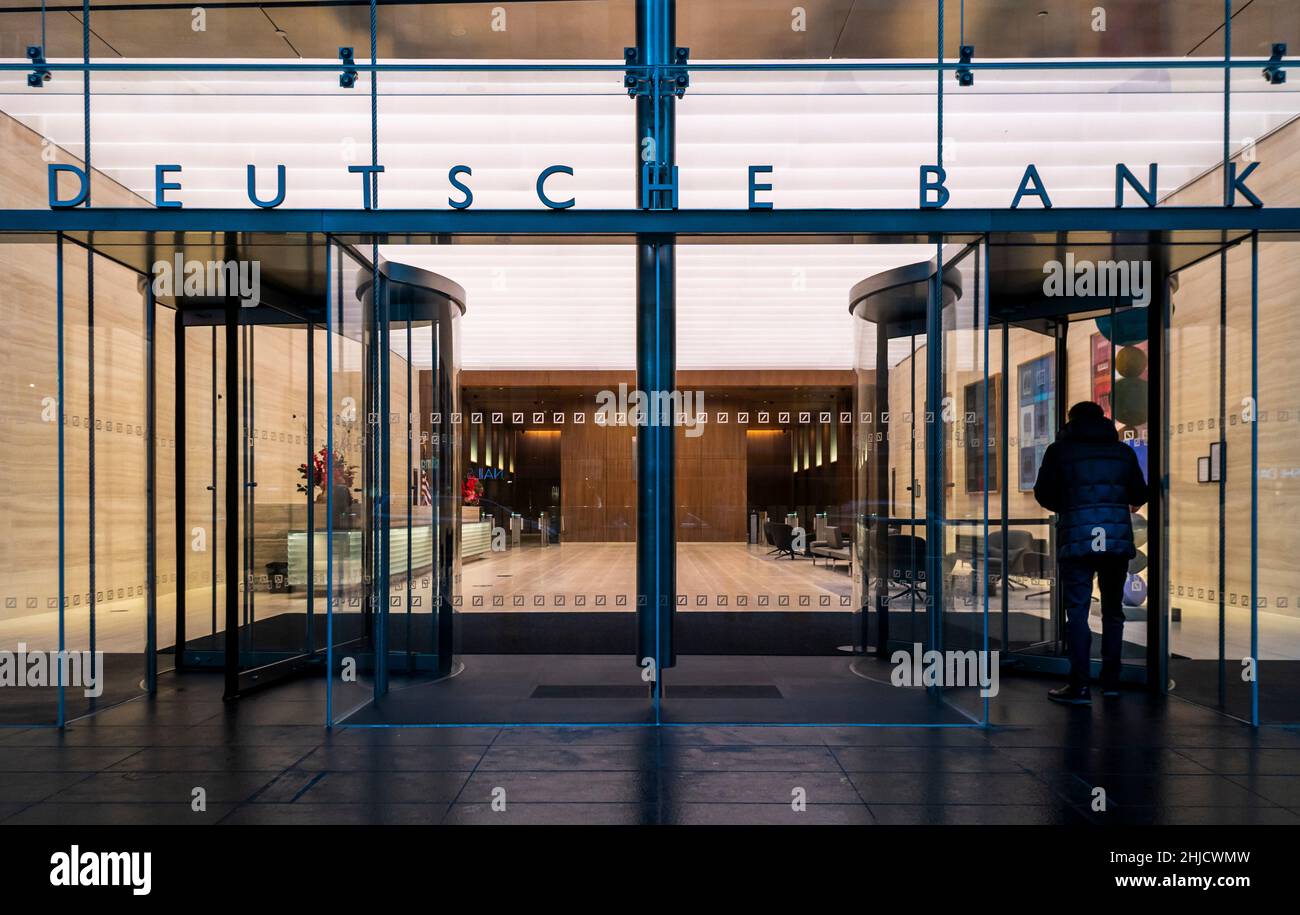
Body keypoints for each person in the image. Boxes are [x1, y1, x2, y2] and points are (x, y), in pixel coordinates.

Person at [1033, 400, 1148, 705]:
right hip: (1115, 541)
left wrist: (1070, 507)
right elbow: (1140, 494)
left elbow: (1043, 493)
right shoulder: (1122, 452)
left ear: (1070, 421)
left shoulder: (1059, 451)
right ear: (1104, 421)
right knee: (1113, 612)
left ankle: (1079, 686)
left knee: (1078, 613)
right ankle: (1111, 682)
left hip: (1077, 541)